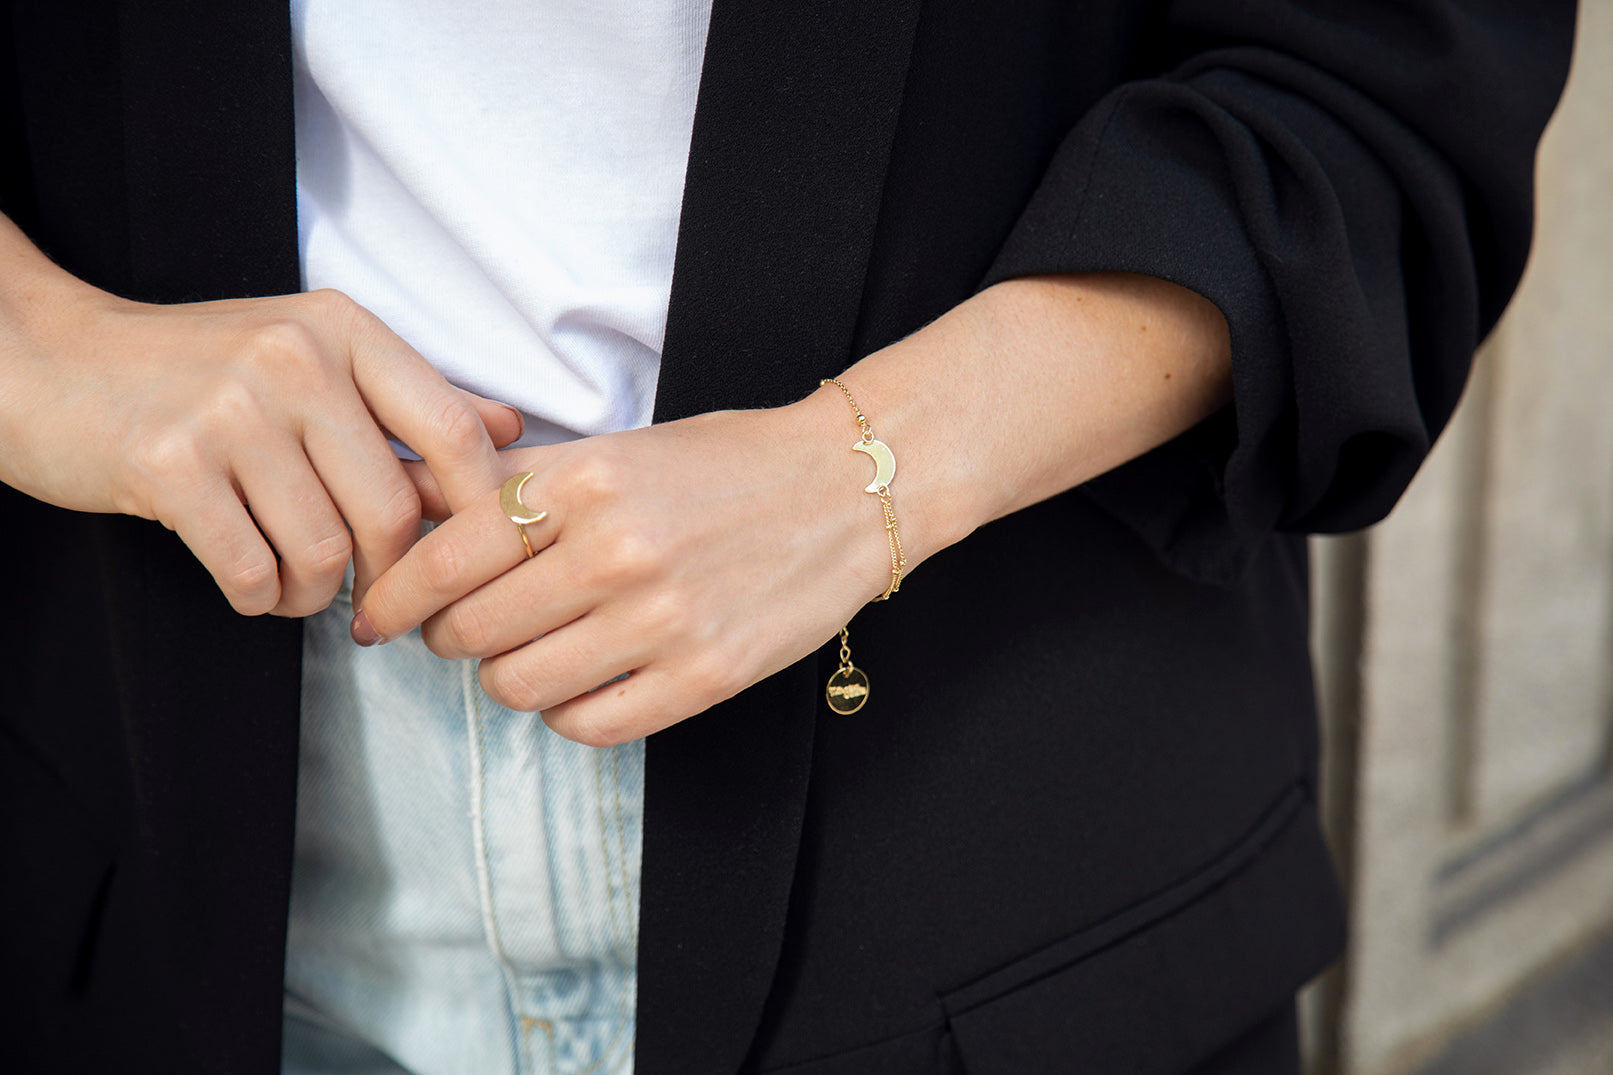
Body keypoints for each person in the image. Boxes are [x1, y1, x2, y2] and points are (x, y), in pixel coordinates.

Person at [0, 2, 1575, 1073]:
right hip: (157, 820)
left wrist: (867, 472)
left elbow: (1386, 74)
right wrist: (40, 346)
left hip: (992, 850)